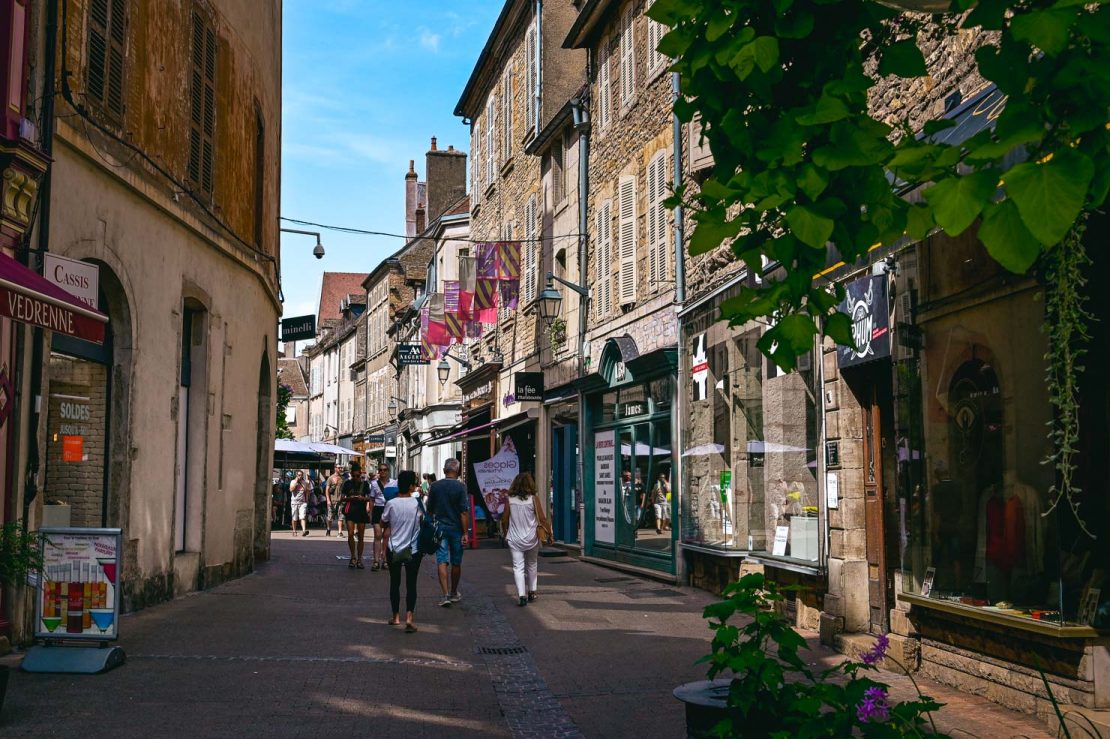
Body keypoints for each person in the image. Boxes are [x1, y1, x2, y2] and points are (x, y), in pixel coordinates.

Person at [382, 470, 424, 633]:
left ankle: (396, 616)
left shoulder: (391, 503)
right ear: (412, 485)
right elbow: (422, 521)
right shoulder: (418, 504)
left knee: (395, 583)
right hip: (413, 549)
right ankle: (409, 619)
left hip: (394, 548)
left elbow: (383, 522)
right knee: (411, 584)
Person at [503, 472, 552, 607]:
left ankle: (521, 595)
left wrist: (505, 532)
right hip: (531, 538)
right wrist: (550, 534)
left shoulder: (510, 499)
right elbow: (542, 518)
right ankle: (532, 591)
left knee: (518, 567)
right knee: (532, 564)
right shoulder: (533, 499)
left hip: (515, 538)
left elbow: (504, 519)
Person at [426, 458, 469, 607]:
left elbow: (429, 508)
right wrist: (465, 533)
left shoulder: (435, 486)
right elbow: (464, 512)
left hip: (440, 528)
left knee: (442, 560)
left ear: (445, 470)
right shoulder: (461, 487)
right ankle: (453, 592)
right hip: (457, 529)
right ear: (457, 471)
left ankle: (445, 595)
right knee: (456, 561)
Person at [340, 461, 371, 568]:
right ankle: (353, 557)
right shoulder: (347, 483)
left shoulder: (365, 484)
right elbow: (342, 498)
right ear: (351, 474)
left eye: (357, 475)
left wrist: (363, 498)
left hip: (361, 510)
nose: (356, 477)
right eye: (353, 475)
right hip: (350, 510)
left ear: (360, 474)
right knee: (350, 533)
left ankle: (359, 559)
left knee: (361, 536)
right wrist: (350, 498)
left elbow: (370, 497)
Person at [367, 466, 386, 570]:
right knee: (378, 535)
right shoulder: (374, 484)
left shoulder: (393, 483)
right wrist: (370, 513)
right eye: (380, 470)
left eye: (385, 470)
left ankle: (385, 560)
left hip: (388, 508)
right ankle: (376, 561)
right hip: (378, 509)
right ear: (378, 472)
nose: (382, 471)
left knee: (387, 536)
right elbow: (371, 499)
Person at [324, 466, 345, 537]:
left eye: (341, 468)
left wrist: (344, 496)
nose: (340, 469)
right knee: (330, 517)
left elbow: (344, 489)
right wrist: (328, 500)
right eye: (339, 468)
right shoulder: (330, 478)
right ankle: (328, 529)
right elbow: (327, 490)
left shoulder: (343, 478)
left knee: (341, 517)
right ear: (335, 468)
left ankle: (340, 532)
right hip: (332, 501)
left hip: (340, 501)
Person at [289, 470, 310, 536]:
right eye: (299, 475)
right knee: (294, 518)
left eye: (301, 475)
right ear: (296, 475)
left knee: (302, 516)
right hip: (294, 502)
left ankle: (304, 531)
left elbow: (307, 491)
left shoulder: (304, 482)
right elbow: (291, 490)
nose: (300, 476)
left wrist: (306, 500)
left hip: (302, 502)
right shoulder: (293, 482)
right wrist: (296, 483)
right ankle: (294, 531)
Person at [651, 470, 671, 534]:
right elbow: (653, 493)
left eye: (663, 477)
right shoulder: (656, 485)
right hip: (657, 503)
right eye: (661, 477)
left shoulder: (667, 484)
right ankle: (658, 529)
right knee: (658, 516)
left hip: (665, 502)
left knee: (666, 516)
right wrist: (653, 502)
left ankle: (663, 527)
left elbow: (668, 491)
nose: (662, 479)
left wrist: (665, 483)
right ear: (659, 478)